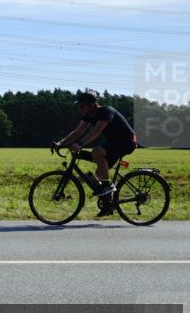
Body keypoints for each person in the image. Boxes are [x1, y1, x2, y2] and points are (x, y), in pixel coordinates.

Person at [52, 89, 137, 217]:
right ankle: (108, 204)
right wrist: (60, 143)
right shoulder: (89, 116)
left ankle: (108, 186)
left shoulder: (105, 112)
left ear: (92, 105)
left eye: (82, 106)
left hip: (126, 142)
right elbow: (77, 132)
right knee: (98, 174)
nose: (80, 109)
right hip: (114, 144)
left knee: (97, 152)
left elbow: (97, 131)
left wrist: (80, 144)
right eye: (79, 107)